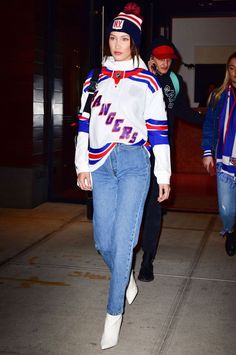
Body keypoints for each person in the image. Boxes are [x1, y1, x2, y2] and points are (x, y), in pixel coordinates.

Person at [75, 3, 171, 350]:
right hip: (101, 166)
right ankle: (125, 276)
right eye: (113, 37)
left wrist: (163, 173)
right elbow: (84, 126)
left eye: (124, 38)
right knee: (103, 241)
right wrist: (81, 166)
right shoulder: (93, 78)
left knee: (124, 240)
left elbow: (159, 131)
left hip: (134, 163)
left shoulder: (148, 82)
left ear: (134, 43)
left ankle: (112, 316)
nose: (117, 44)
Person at [138, 36, 204, 282]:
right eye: (160, 57)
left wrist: (214, 121)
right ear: (151, 57)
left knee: (154, 207)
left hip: (160, 152)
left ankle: (147, 261)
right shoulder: (139, 77)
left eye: (169, 58)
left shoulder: (175, 81)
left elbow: (184, 112)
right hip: (135, 151)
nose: (165, 62)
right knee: (136, 206)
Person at [202, 52, 236, 256]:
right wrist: (207, 152)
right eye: (232, 68)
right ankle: (230, 231)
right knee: (226, 209)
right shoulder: (218, 95)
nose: (235, 72)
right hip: (224, 161)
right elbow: (209, 127)